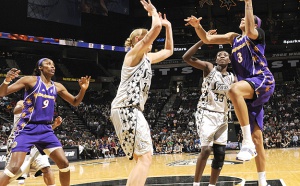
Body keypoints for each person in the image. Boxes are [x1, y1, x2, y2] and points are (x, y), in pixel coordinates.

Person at [184, 0, 275, 185]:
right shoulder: (234, 38)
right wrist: (198, 26)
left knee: (233, 89)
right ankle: (262, 181)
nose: (242, 19)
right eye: (242, 18)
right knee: (258, 138)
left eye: (247, 18)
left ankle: (246, 142)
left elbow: (250, 29)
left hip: (261, 79)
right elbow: (208, 39)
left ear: (255, 24)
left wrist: (248, 3)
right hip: (246, 90)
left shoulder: (256, 35)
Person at [110, 0, 173, 185]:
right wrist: (154, 12)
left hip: (130, 110)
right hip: (127, 108)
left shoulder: (147, 58)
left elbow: (168, 50)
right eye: (143, 37)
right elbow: (154, 31)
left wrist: (167, 27)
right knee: (146, 157)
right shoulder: (132, 54)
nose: (148, 39)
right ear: (136, 40)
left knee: (142, 157)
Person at [0, 58, 91, 186]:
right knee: (14, 168)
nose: (52, 66)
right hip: (27, 128)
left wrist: (83, 89)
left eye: (53, 64)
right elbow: (2, 92)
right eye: (48, 64)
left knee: (64, 163)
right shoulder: (30, 80)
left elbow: (75, 102)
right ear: (40, 68)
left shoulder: (57, 86)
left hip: (46, 130)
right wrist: (6, 80)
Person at [182, 32, 236, 186]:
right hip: (206, 113)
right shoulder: (209, 68)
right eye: (219, 55)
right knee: (206, 150)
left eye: (225, 54)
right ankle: (196, 184)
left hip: (223, 116)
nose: (222, 56)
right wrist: (202, 41)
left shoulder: (233, 77)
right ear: (215, 59)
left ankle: (212, 185)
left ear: (230, 59)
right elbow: (186, 58)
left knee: (220, 154)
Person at [6, 100, 63, 186]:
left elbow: (42, 131)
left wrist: (54, 125)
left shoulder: (43, 110)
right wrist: (32, 106)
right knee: (11, 173)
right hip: (20, 141)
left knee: (46, 168)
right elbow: (16, 110)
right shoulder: (23, 102)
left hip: (36, 144)